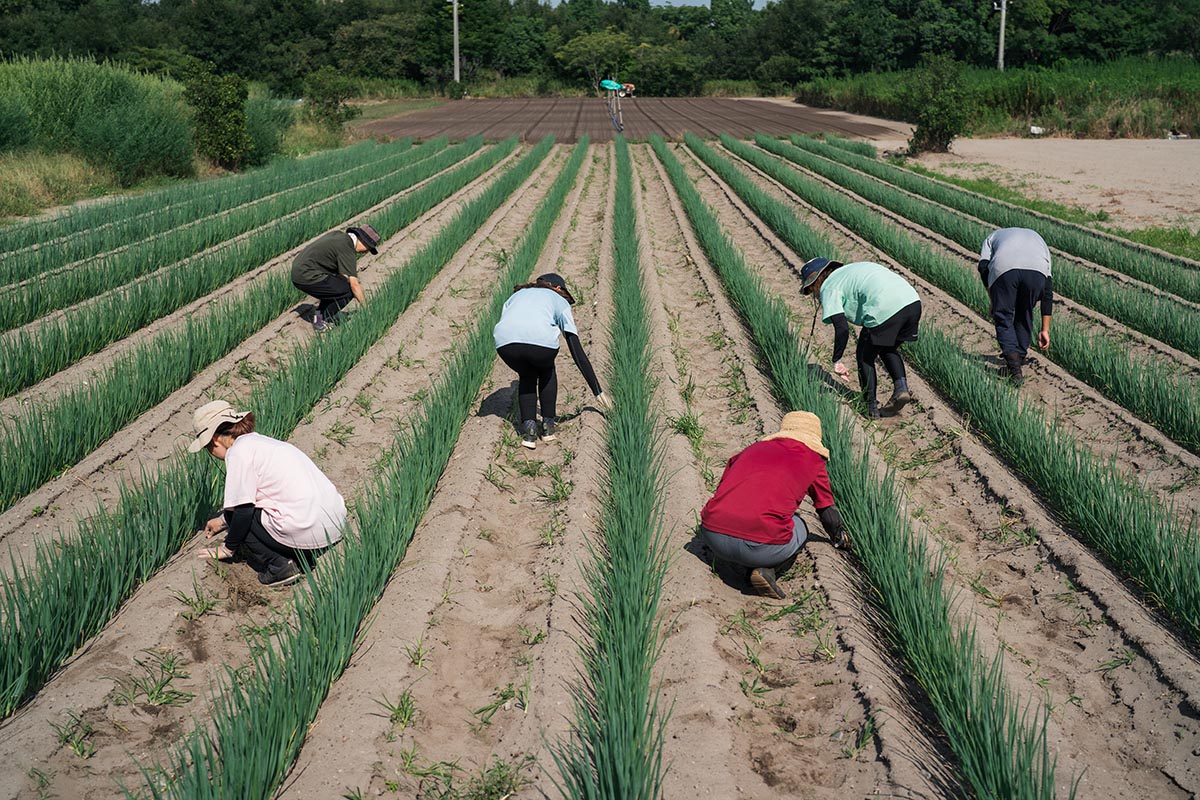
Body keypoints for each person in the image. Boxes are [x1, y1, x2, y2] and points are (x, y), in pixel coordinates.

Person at [188, 400, 347, 586]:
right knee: (235, 515)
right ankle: (302, 552)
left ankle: (278, 566)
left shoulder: (238, 452)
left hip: (306, 528)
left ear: (214, 439)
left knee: (239, 518)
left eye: (207, 447)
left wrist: (228, 548)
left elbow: (244, 510)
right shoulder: (264, 443)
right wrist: (222, 521)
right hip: (334, 525)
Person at [699, 411, 849, 600]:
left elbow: (723, 490)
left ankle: (750, 559)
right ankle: (767, 570)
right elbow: (826, 510)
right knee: (800, 525)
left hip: (713, 537)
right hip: (761, 550)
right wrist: (840, 538)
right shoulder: (812, 459)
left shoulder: (750, 450)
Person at [492, 273, 611, 449]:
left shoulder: (516, 295)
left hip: (505, 344)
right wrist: (598, 392)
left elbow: (509, 322)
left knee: (526, 374)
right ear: (557, 288)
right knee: (547, 370)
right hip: (540, 344)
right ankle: (548, 425)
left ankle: (529, 430)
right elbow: (576, 349)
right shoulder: (558, 300)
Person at [801, 257, 921, 419]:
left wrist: (837, 360)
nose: (814, 295)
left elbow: (842, 328)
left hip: (884, 307)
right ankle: (901, 389)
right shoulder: (850, 270)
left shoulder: (829, 286)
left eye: (811, 290)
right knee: (887, 347)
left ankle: (870, 407)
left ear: (816, 280)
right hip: (912, 302)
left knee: (865, 356)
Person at [978, 227, 1053, 386]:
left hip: (1004, 268)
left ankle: (1014, 369)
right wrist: (1045, 330)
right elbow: (1047, 290)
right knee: (1024, 313)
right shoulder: (1040, 240)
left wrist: (993, 299)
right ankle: (1018, 358)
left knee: (1003, 316)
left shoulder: (992, 237)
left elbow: (983, 267)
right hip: (1036, 271)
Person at [291, 224, 381, 331]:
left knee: (336, 289)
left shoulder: (340, 237)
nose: (366, 252)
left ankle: (318, 318)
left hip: (300, 271)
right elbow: (354, 286)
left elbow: (333, 266)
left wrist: (342, 281)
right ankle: (320, 321)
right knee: (348, 292)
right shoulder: (347, 248)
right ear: (361, 239)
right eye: (368, 248)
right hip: (306, 275)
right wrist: (367, 309)